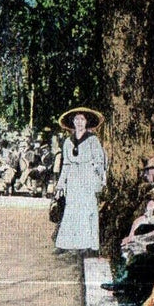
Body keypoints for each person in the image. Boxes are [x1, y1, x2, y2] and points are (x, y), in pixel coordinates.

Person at [54, 107, 108, 253]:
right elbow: (65, 164)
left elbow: (99, 161)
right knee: (72, 209)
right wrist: (60, 185)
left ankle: (88, 245)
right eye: (76, 119)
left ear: (86, 122)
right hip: (73, 179)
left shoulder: (92, 140)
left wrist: (100, 181)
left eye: (82, 119)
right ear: (72, 122)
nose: (79, 122)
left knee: (87, 209)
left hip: (87, 177)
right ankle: (69, 244)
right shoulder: (67, 142)